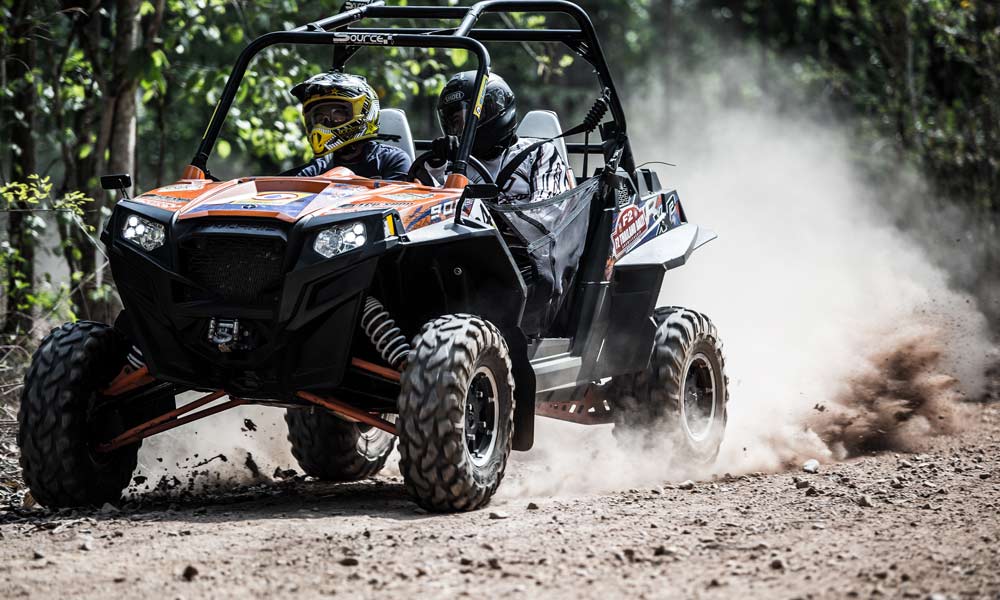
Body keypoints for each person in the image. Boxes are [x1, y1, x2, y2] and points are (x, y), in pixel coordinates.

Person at [425, 71, 573, 202]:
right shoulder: (452, 164)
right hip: (459, 233)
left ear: (498, 108)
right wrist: (434, 168)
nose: (463, 128)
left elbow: (547, 215)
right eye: (456, 122)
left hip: (515, 234)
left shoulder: (538, 154)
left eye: (473, 116)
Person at [285, 71, 411, 180]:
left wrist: (344, 177)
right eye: (318, 117)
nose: (324, 122)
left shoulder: (391, 159)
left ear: (364, 112)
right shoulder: (319, 167)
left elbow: (401, 200)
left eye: (336, 113)